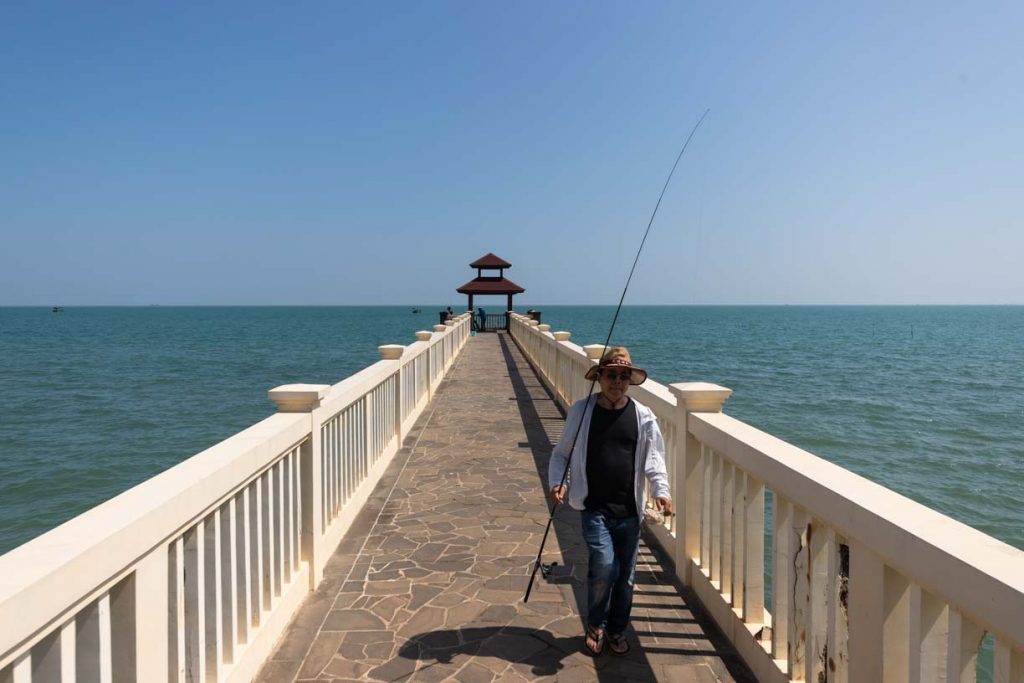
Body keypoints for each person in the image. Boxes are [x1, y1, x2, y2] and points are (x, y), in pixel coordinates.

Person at [548, 347, 672, 657]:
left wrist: (661, 490)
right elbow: (562, 452)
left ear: (630, 380)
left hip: (629, 511)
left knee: (625, 576)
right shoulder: (581, 410)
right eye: (611, 375)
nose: (616, 381)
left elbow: (655, 460)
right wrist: (557, 482)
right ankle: (596, 623)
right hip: (594, 508)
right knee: (605, 566)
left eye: (623, 376)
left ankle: (616, 629)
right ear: (600, 377)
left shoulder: (643, 416)